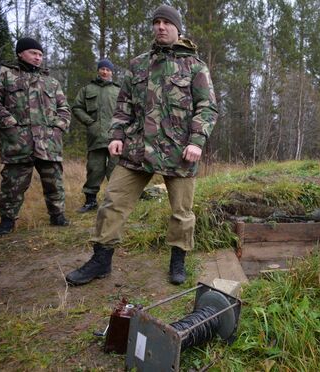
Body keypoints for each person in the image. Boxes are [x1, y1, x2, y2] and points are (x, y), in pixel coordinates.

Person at [65, 4, 218, 286]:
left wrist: (197, 141)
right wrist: (116, 135)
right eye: (156, 22)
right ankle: (101, 260)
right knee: (113, 202)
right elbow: (123, 106)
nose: (160, 27)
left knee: (181, 212)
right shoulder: (138, 64)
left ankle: (178, 259)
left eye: (166, 23)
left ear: (177, 28)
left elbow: (207, 109)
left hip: (179, 152)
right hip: (136, 150)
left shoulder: (195, 66)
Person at [0, 37, 71, 235]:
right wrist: (11, 125)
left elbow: (64, 109)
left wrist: (58, 128)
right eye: (33, 53)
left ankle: (57, 215)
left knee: (54, 181)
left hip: (48, 142)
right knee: (13, 183)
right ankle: (7, 220)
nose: (38, 58)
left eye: (40, 55)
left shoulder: (51, 81)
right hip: (18, 143)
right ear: (21, 53)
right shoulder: (3, 75)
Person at [72, 59, 120, 213]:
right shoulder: (87, 89)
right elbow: (77, 107)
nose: (105, 72)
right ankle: (91, 202)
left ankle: (116, 202)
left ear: (112, 72)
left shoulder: (118, 90)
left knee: (116, 170)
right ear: (98, 70)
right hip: (96, 136)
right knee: (95, 169)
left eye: (108, 69)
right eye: (102, 69)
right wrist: (90, 123)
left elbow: (127, 110)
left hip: (116, 137)